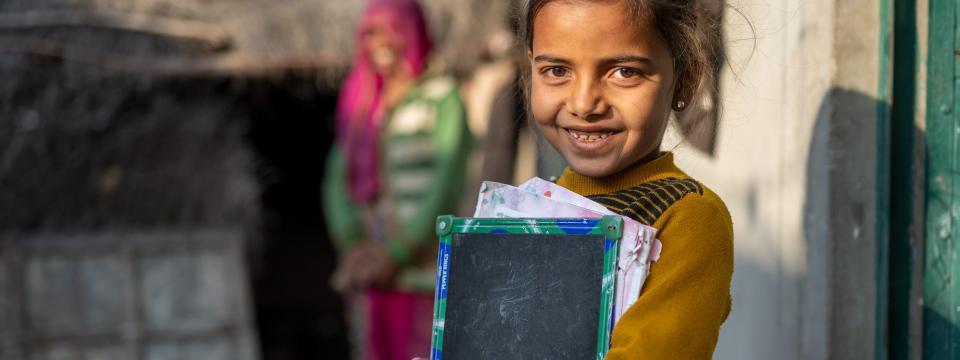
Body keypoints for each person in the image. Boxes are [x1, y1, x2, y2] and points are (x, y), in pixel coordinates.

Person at [521, 0, 733, 358]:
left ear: (685, 79)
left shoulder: (687, 219)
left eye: (624, 71)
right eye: (557, 70)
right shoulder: (535, 206)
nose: (584, 103)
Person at [322, 0, 471, 359]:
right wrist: (353, 245)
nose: (380, 42)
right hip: (369, 274)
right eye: (370, 32)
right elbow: (335, 181)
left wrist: (398, 251)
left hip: (422, 274)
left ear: (413, 32)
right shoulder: (360, 104)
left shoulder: (442, 99)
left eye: (390, 30)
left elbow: (446, 184)